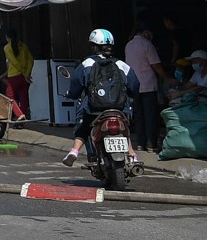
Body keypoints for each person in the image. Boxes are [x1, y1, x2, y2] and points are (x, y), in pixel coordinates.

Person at [62, 28, 137, 167]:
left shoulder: (87, 63)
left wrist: (72, 94)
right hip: (120, 109)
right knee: (124, 128)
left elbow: (76, 85)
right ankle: (133, 155)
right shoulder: (121, 64)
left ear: (94, 46)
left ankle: (74, 151)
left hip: (94, 109)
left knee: (83, 127)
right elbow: (135, 85)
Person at [123, 23, 166, 151]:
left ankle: (141, 144)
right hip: (147, 85)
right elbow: (156, 65)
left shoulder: (129, 45)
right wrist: (168, 78)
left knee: (139, 116)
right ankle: (152, 144)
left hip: (133, 85)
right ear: (146, 32)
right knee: (151, 116)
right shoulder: (147, 44)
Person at [2, 28, 33, 119]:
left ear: (7, 37)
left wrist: (24, 73)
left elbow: (15, 62)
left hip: (13, 76)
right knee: (23, 98)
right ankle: (22, 122)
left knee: (10, 96)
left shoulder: (7, 48)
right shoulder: (23, 46)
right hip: (24, 78)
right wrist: (27, 73)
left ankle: (19, 115)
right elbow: (31, 60)